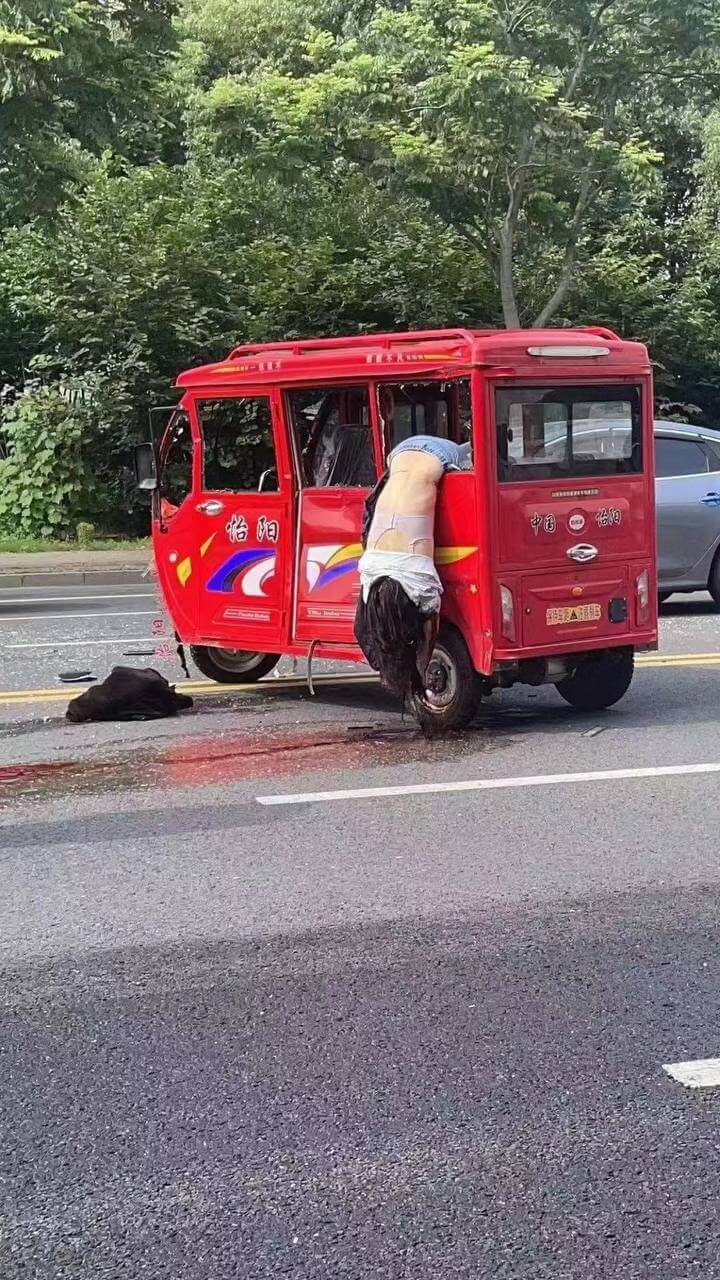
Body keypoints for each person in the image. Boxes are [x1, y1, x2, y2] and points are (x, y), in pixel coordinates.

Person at [354, 434, 465, 702]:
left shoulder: (421, 582)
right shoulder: (369, 575)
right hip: (399, 453)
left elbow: (429, 637)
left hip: (440, 456)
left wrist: (417, 676)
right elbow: (361, 630)